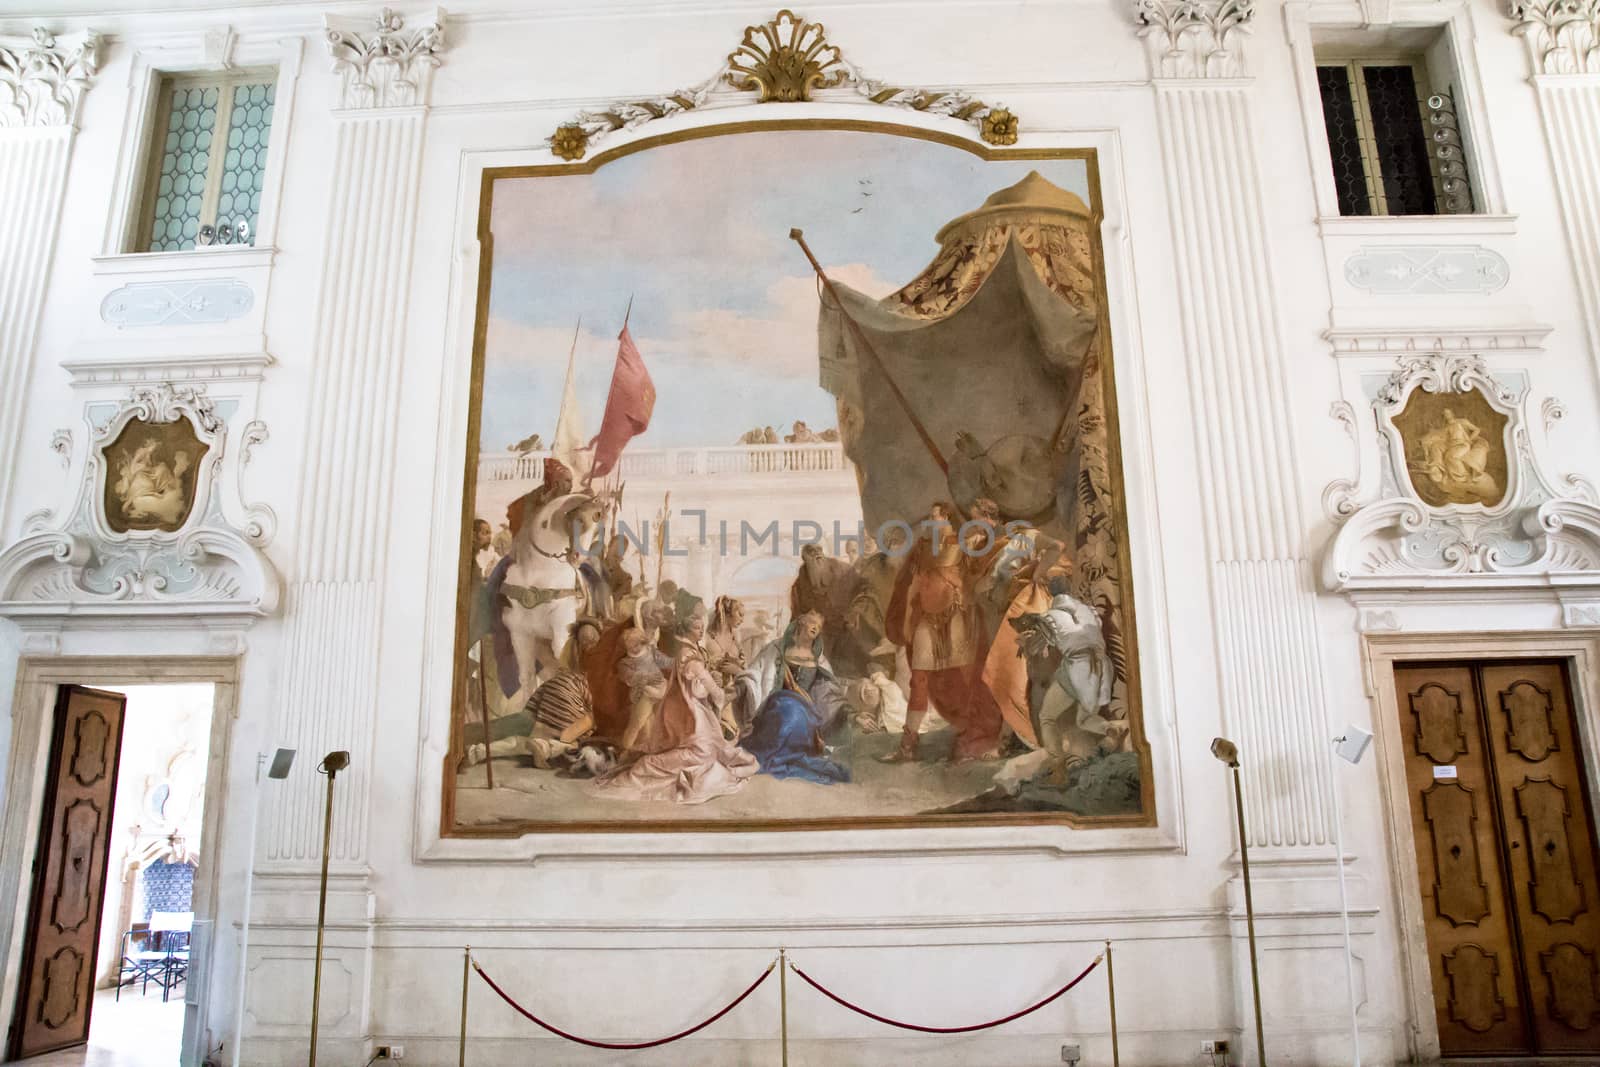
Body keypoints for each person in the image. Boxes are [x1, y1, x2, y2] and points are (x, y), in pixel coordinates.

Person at [881, 502, 1004, 764]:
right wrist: (905, 623)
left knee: (968, 677)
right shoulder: (923, 548)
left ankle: (975, 738)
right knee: (919, 679)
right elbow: (913, 586)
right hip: (927, 618)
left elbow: (985, 570)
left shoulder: (965, 542)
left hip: (959, 617)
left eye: (933, 516)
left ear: (945, 517)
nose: (929, 520)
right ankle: (907, 746)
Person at [594, 615, 758, 804]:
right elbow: (630, 678)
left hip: (673, 702)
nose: (636, 646)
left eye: (638, 642)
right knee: (640, 727)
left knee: (655, 751)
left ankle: (640, 756)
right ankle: (627, 750)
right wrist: (646, 680)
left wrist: (710, 677)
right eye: (697, 627)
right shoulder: (627, 663)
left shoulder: (664, 654)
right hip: (644, 697)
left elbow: (678, 671)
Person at [995, 579, 1121, 794]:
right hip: (1100, 669)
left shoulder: (1050, 618)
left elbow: (1036, 647)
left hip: (1076, 668)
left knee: (1047, 717)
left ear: (1052, 597)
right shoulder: (1087, 611)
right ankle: (1111, 731)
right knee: (1085, 718)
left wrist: (1025, 643)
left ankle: (1058, 770)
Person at [740, 612, 852, 784]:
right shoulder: (777, 649)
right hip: (777, 702)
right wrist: (741, 680)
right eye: (813, 622)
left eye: (819, 626)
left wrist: (848, 712)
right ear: (801, 622)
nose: (816, 627)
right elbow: (757, 671)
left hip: (806, 708)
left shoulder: (819, 660)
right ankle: (775, 752)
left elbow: (828, 691)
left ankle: (786, 753)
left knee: (796, 715)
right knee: (788, 713)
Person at [789, 543, 856, 664]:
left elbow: (859, 592)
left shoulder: (842, 570)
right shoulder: (799, 586)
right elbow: (796, 615)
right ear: (805, 559)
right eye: (811, 552)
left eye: (818, 550)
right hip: (820, 633)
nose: (817, 553)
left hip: (845, 629)